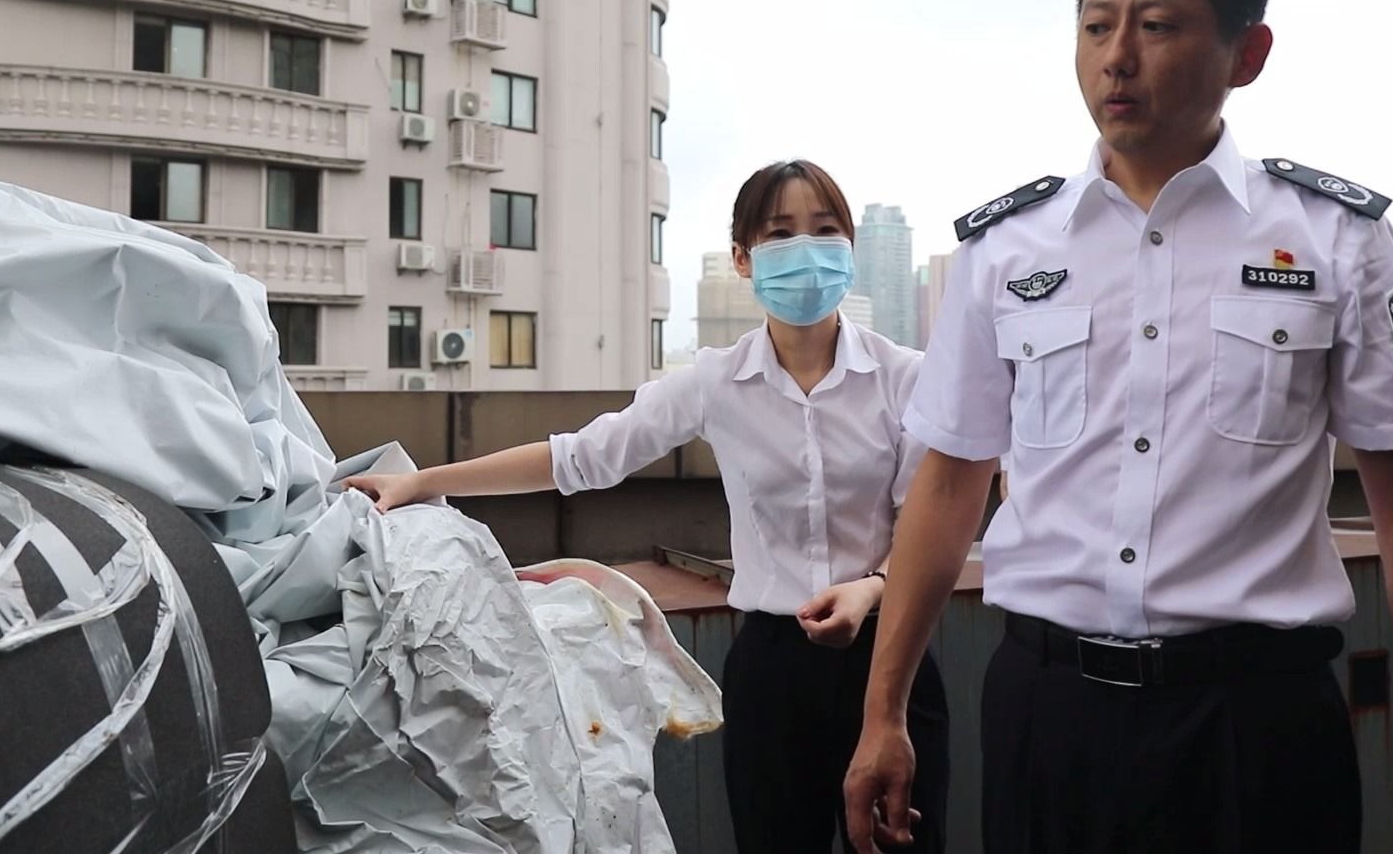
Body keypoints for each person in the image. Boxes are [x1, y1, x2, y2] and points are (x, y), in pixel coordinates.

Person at [842, 0, 1393, 854]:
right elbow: (948, 479)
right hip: (1046, 717)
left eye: (1158, 26)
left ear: (1246, 55)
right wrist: (882, 711)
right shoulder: (1008, 247)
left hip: (1256, 727)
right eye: (1097, 26)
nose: (1117, 57)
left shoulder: (1331, 240)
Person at [345, 160, 951, 854]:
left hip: (892, 653)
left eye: (825, 230)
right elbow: (580, 456)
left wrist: (872, 590)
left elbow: (928, 526)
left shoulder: (907, 379)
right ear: (744, 259)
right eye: (782, 234)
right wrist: (421, 483)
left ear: (849, 248)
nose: (807, 251)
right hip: (773, 670)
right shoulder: (717, 382)